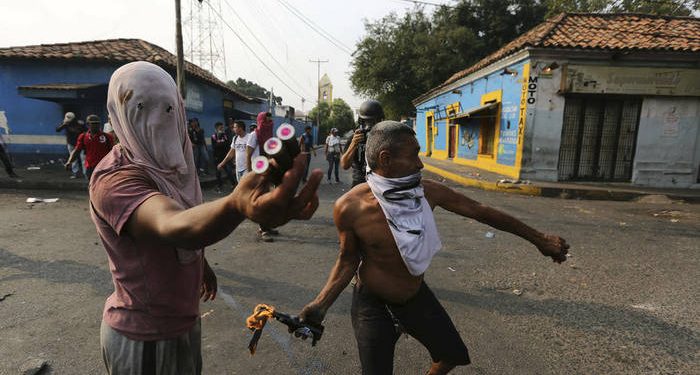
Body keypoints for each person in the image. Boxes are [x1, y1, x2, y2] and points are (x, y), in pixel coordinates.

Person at [91, 61, 322, 375]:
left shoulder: (176, 163)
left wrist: (201, 263)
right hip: (144, 336)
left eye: (169, 108)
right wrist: (235, 206)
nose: (159, 119)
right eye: (142, 107)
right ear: (117, 113)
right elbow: (170, 224)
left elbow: (188, 219)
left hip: (183, 323)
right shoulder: (116, 179)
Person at [300, 121, 569, 375]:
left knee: (452, 355)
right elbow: (348, 261)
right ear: (385, 159)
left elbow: (481, 211)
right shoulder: (350, 207)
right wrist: (319, 305)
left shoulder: (427, 192)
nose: (420, 164)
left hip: (415, 297)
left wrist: (540, 239)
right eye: (414, 155)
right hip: (373, 305)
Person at [246, 112, 279, 243]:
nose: (269, 122)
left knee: (266, 199)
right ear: (261, 120)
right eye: (266, 119)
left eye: (270, 120)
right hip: (256, 171)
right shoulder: (254, 135)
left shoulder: (269, 135)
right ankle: (264, 229)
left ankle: (266, 226)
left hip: (266, 170)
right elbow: (248, 154)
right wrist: (249, 173)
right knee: (260, 201)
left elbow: (270, 153)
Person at [340, 99, 385, 187]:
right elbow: (345, 165)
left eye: (375, 121)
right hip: (359, 183)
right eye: (368, 121)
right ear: (361, 121)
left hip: (381, 184)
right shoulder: (356, 137)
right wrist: (353, 144)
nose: (371, 125)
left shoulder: (386, 137)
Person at [64, 114, 114, 181]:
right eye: (93, 124)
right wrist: (69, 162)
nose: (96, 125)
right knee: (91, 186)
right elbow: (77, 150)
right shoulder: (83, 136)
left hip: (104, 167)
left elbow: (113, 151)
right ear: (88, 124)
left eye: (97, 123)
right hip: (90, 167)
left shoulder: (107, 137)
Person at [56, 111, 87, 179]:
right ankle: (75, 172)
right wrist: (64, 124)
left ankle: (85, 174)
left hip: (81, 143)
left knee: (83, 158)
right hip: (71, 143)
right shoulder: (65, 123)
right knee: (73, 159)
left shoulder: (80, 123)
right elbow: (57, 129)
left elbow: (86, 131)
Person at [210, 122, 236, 192]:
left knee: (229, 171)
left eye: (222, 128)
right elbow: (214, 146)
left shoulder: (225, 136)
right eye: (220, 128)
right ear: (216, 129)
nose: (221, 129)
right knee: (218, 173)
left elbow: (227, 145)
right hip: (217, 158)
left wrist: (220, 143)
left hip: (225, 157)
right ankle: (219, 185)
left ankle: (233, 184)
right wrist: (220, 141)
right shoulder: (213, 136)